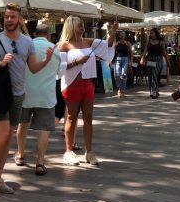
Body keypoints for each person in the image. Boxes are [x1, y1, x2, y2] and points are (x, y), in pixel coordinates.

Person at [0, 3, 54, 196]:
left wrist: (46, 59)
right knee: (2, 134)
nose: (9, 20)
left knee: (8, 137)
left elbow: (33, 68)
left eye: (13, 17)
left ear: (20, 19)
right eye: (6, 17)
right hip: (0, 94)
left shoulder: (27, 42)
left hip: (18, 95)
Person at [58, 15, 116, 166]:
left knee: (89, 119)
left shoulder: (89, 42)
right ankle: (68, 151)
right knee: (71, 118)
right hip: (72, 84)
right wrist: (77, 61)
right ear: (71, 26)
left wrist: (113, 30)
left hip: (88, 84)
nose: (82, 27)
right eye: (79, 25)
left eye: (83, 24)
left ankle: (89, 152)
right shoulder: (63, 45)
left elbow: (108, 45)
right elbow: (59, 68)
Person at [15, 21, 61, 177]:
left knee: (22, 124)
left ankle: (20, 155)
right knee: (44, 129)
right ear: (49, 35)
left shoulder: (26, 46)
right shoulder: (55, 50)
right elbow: (58, 74)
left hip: (25, 92)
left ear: (35, 34)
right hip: (46, 94)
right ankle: (40, 162)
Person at [141, 29, 169, 99]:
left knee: (154, 75)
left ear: (156, 34)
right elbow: (145, 51)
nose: (151, 35)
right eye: (150, 34)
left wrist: (167, 61)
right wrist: (142, 58)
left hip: (158, 60)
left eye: (152, 33)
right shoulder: (148, 42)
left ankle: (154, 92)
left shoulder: (161, 42)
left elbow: (164, 53)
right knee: (150, 77)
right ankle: (153, 91)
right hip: (150, 60)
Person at [112, 33, 132, 98]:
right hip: (117, 60)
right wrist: (111, 61)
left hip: (125, 59)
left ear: (125, 36)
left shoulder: (127, 43)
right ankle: (119, 88)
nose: (122, 36)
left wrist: (131, 61)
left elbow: (132, 52)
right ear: (119, 36)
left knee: (124, 75)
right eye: (121, 35)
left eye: (123, 34)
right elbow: (112, 52)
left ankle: (122, 91)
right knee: (117, 75)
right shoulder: (116, 43)